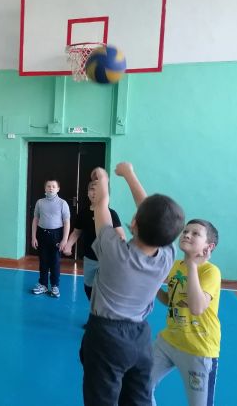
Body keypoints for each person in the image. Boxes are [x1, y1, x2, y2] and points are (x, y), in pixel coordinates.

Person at [79, 162, 184, 406]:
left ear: (134, 223)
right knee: (138, 398)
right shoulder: (168, 255)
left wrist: (105, 178)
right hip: (140, 337)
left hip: (106, 336)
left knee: (101, 398)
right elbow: (153, 215)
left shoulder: (114, 253)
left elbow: (100, 205)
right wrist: (128, 175)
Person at [150, 219, 221, 406]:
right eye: (185, 231)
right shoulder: (176, 266)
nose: (187, 235)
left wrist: (192, 265)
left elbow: (197, 308)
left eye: (195, 233)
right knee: (139, 385)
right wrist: (153, 285)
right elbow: (170, 300)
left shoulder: (211, 272)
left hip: (198, 349)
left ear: (209, 246)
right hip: (169, 341)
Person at [64, 181, 126, 300]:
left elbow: (121, 235)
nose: (94, 192)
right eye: (92, 189)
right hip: (90, 258)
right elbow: (76, 232)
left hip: (107, 260)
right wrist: (69, 244)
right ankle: (94, 308)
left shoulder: (111, 214)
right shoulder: (83, 213)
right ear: (88, 193)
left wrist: (121, 243)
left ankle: (102, 310)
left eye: (99, 190)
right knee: (89, 288)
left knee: (106, 290)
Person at [31, 179, 70, 298]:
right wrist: (33, 237)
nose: (51, 188)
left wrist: (64, 240)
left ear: (58, 189)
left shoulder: (62, 203)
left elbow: (66, 222)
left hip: (56, 235)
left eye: (53, 186)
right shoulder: (39, 202)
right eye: (48, 186)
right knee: (43, 261)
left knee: (55, 262)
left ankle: (54, 285)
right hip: (42, 234)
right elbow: (35, 220)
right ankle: (43, 284)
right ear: (45, 188)